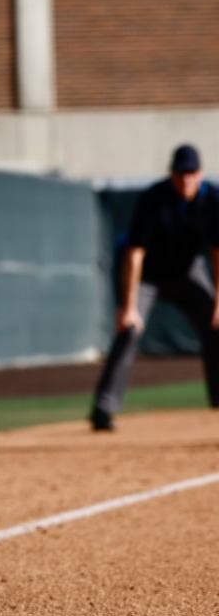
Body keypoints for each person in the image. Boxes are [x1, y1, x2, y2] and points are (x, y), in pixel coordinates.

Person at [88, 143, 219, 431]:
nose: (186, 179)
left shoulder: (212, 200)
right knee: (129, 329)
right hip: (148, 274)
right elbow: (135, 254)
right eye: (180, 173)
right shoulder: (154, 199)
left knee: (216, 323)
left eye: (192, 173)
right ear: (172, 175)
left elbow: (218, 253)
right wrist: (129, 307)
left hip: (189, 273)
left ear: (201, 173)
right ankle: (103, 408)